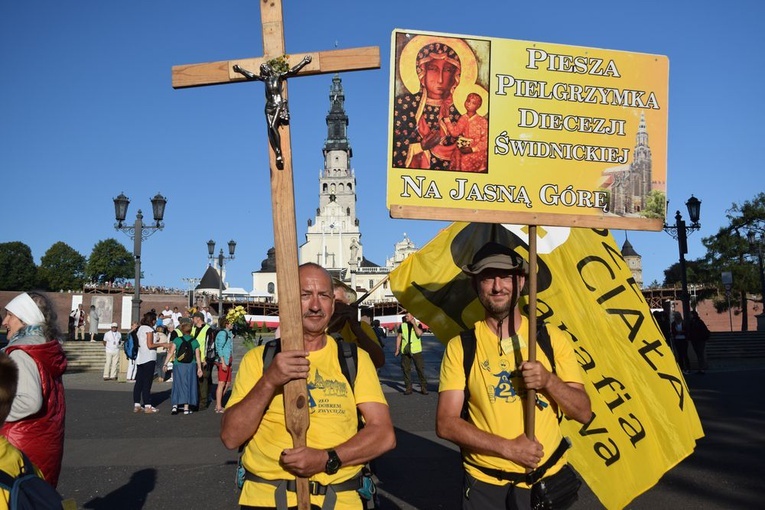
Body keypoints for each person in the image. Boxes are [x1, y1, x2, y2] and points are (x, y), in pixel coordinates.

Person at [221, 262, 395, 509]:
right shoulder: (259, 360)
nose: (315, 305)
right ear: (289, 301)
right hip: (267, 498)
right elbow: (230, 437)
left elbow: (384, 435)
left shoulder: (354, 360)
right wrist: (269, 380)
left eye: (324, 296)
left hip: (339, 499)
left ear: (333, 305)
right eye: (305, 295)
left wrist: (327, 458)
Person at [435, 242, 592, 509]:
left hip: (544, 482)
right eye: (487, 277)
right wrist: (508, 448)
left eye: (506, 275)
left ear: (521, 281)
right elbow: (446, 423)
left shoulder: (550, 338)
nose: (497, 286)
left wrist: (548, 381)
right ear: (475, 285)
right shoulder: (461, 346)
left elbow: (583, 412)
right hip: (484, 484)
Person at [1, 292, 67, 487]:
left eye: (10, 315)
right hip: (42, 440)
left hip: (19, 443)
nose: (5, 321)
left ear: (25, 318)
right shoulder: (45, 350)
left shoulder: (21, 352)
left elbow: (29, 401)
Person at [392, 40, 463, 170]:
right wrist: (420, 147)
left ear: (455, 76)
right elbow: (395, 152)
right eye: (433, 69)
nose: (440, 79)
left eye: (447, 70)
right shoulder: (404, 107)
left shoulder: (460, 115)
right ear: (422, 73)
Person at [233, 55, 313, 169]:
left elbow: (292, 71)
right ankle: (278, 153)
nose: (263, 69)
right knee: (270, 127)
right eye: (262, 68)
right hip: (269, 106)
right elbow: (251, 75)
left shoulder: (278, 76)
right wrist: (240, 70)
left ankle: (279, 153)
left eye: (265, 67)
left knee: (272, 125)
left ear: (270, 68)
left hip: (278, 104)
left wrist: (304, 62)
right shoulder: (265, 79)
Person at [328, 280, 385, 368]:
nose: (332, 307)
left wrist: (356, 328)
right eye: (328, 301)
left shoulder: (362, 327)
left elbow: (379, 361)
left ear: (347, 304)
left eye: (338, 302)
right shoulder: (315, 328)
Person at [132, 311, 169, 414]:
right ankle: (148, 405)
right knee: (147, 382)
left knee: (139, 381)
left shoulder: (140, 329)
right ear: (152, 321)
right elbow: (150, 345)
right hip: (148, 358)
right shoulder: (149, 329)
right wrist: (163, 344)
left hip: (140, 358)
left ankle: (137, 404)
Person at [442, 92, 488, 172]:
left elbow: (485, 141)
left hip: (477, 151)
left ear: (478, 106)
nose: (469, 104)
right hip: (464, 147)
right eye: (468, 101)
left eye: (473, 103)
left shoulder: (482, 121)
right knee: (457, 154)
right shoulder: (463, 118)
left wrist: (472, 149)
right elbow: (455, 133)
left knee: (465, 159)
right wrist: (446, 118)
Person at [165, 321, 203, 415]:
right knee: (189, 384)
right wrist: (199, 368)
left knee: (177, 384)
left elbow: (171, 352)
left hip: (178, 364)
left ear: (182, 330)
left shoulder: (177, 340)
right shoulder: (194, 341)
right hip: (191, 365)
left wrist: (165, 364)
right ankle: (186, 407)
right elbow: (198, 356)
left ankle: (175, 405)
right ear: (191, 330)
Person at [395, 311, 428, 394]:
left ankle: (423, 387)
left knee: (420, 369)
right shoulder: (402, 325)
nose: (406, 317)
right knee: (406, 369)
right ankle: (408, 388)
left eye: (407, 316)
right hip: (405, 351)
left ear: (412, 317)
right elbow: (399, 337)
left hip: (416, 351)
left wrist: (414, 324)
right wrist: (397, 349)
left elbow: (419, 334)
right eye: (405, 316)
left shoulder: (418, 324)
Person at [191, 312, 214, 410]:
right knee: (195, 381)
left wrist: (207, 359)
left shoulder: (208, 329)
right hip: (194, 359)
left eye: (194, 318)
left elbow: (211, 345)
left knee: (203, 381)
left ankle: (203, 403)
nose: (192, 320)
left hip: (203, 359)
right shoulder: (193, 328)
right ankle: (195, 401)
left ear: (198, 318)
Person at [214, 318, 234, 414]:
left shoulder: (229, 333)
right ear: (226, 324)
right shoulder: (223, 333)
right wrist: (223, 362)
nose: (232, 324)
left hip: (228, 360)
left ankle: (219, 402)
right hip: (223, 361)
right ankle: (218, 406)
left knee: (228, 383)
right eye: (231, 323)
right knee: (221, 383)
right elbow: (219, 348)